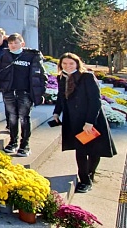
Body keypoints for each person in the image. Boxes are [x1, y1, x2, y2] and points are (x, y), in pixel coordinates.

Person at [53, 53, 117, 193]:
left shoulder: (87, 76)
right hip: (74, 119)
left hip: (92, 118)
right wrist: (56, 112)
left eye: (71, 63)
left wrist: (89, 122)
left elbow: (95, 100)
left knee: (94, 149)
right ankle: (84, 179)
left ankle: (90, 173)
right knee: (80, 149)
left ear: (77, 63)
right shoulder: (61, 77)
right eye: (64, 64)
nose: (68, 66)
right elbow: (61, 97)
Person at [0, 33, 46, 156]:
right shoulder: (5, 56)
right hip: (9, 91)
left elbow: (41, 76)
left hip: (25, 92)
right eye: (10, 43)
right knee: (12, 117)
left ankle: (24, 145)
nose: (13, 45)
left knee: (24, 118)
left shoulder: (32, 56)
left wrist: (41, 93)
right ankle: (13, 142)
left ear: (22, 43)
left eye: (16, 43)